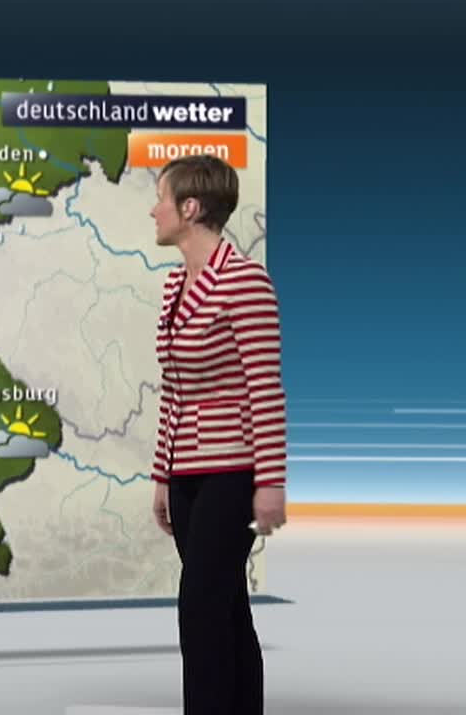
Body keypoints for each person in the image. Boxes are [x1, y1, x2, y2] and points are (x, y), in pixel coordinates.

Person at [147, 154, 288, 715]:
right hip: (186, 475)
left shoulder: (245, 282)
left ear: (190, 207)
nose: (153, 211)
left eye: (161, 199)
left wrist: (270, 484)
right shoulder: (173, 288)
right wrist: (162, 476)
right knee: (227, 607)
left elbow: (265, 388)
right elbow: (174, 388)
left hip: (233, 474)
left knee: (201, 609)